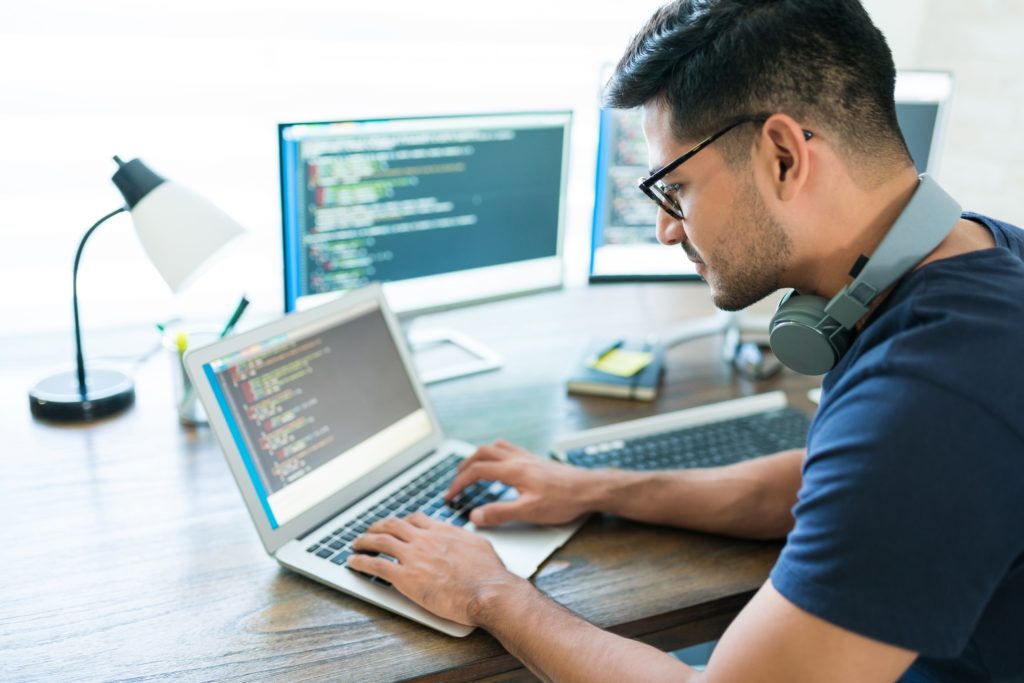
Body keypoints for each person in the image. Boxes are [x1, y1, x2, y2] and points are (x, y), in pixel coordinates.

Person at [347, 1, 1024, 680]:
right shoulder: (976, 255)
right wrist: (595, 486)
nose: (669, 230)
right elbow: (827, 482)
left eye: (676, 189)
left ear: (783, 156)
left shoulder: (934, 397)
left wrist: (488, 592)